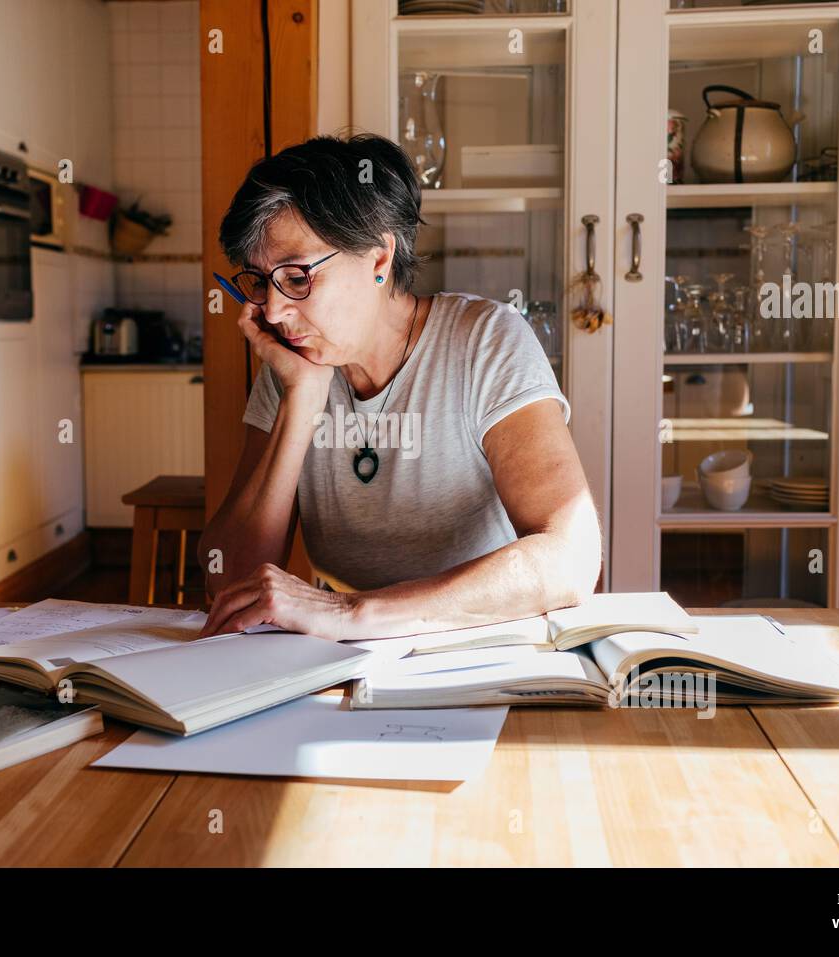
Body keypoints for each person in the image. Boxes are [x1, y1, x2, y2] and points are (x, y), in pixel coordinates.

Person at [198, 133, 602, 640]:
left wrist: (354, 612)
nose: (273, 311)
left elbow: (570, 557)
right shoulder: (293, 362)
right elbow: (226, 579)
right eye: (258, 280)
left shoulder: (484, 340)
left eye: (297, 278)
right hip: (344, 657)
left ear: (378, 259)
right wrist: (301, 401)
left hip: (478, 642)